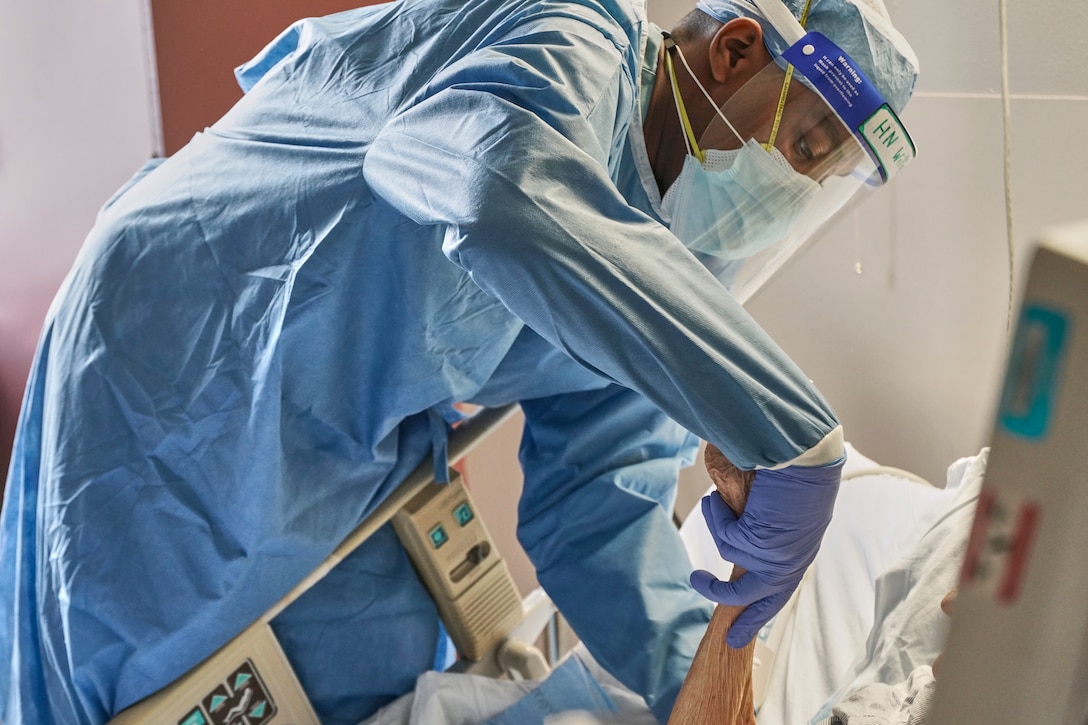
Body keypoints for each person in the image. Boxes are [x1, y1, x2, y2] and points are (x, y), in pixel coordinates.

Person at [0, 0, 917, 722]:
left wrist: (702, 687)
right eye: (802, 146)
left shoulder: (668, 259)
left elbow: (598, 503)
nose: (793, 190)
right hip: (183, 354)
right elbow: (490, 187)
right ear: (735, 52)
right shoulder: (569, 41)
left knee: (386, 676)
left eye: (820, 176)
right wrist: (789, 434)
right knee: (150, 664)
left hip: (341, 443)